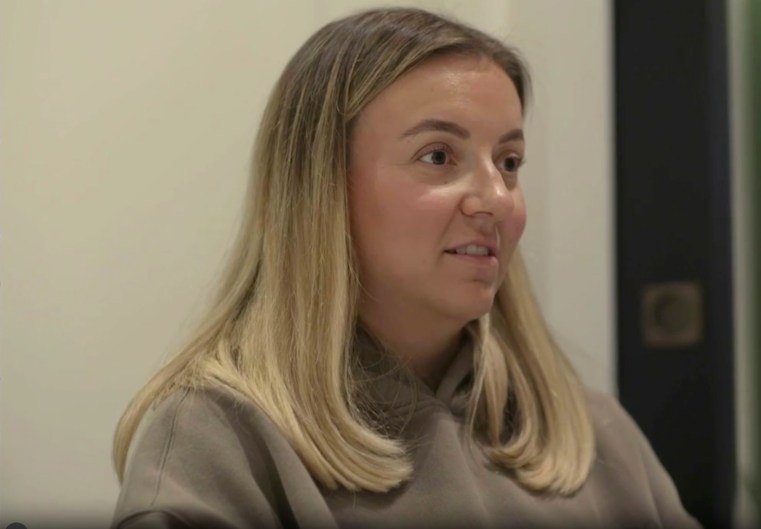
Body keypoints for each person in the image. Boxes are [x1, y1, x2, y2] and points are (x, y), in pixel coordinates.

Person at [111, 7, 700, 529]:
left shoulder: (591, 432)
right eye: (438, 156)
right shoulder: (215, 445)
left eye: (510, 161)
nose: (496, 198)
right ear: (322, 189)